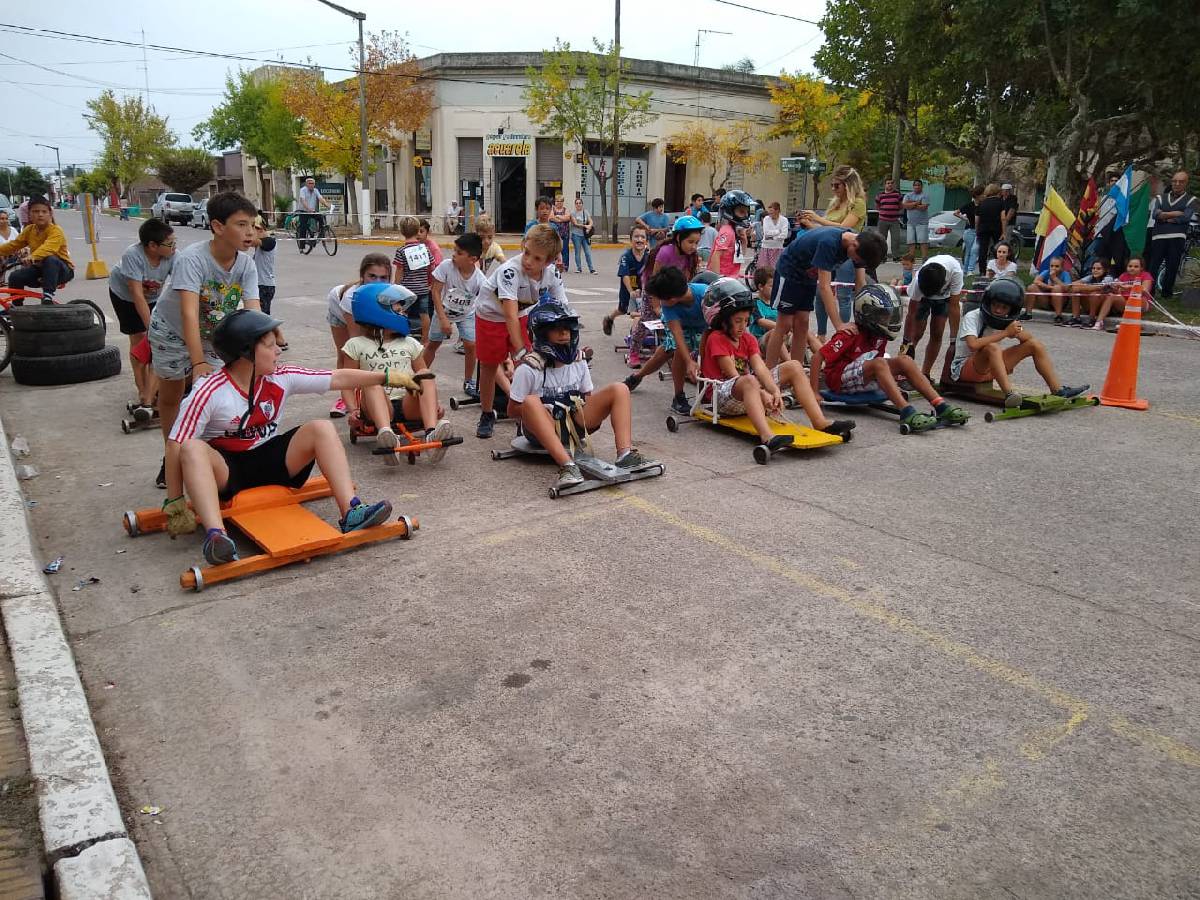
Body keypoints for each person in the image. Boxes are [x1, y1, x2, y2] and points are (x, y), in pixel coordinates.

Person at [164, 309, 402, 566]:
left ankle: (351, 512)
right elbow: (175, 443)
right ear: (246, 353)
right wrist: (175, 500)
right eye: (269, 345)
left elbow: (337, 377)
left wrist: (386, 377)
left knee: (321, 428)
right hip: (228, 471)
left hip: (272, 462)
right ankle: (216, 536)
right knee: (191, 447)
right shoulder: (209, 390)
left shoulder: (281, 375)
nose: (278, 349)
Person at [148, 190, 262, 492]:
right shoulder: (192, 259)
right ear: (217, 226)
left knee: (207, 398)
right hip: (171, 332)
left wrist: (264, 346)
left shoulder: (247, 265)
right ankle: (170, 458)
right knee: (171, 397)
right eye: (241, 224)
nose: (250, 232)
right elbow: (188, 312)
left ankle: (204, 458)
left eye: (252, 224)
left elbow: (253, 311)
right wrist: (197, 362)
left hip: (211, 334)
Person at [508, 302, 651, 490]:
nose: (564, 334)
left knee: (620, 389)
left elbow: (588, 399)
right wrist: (539, 410)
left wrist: (587, 412)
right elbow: (512, 410)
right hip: (543, 430)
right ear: (541, 333)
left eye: (567, 329)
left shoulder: (578, 361)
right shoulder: (529, 368)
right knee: (531, 401)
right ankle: (567, 466)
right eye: (557, 330)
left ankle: (625, 455)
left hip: (575, 427)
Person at [699, 277, 855, 444]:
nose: (743, 326)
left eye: (746, 320)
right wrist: (761, 392)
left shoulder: (748, 338)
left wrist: (773, 391)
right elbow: (733, 375)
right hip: (721, 397)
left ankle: (820, 422)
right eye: (738, 321)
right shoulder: (716, 338)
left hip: (747, 391)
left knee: (794, 366)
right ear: (722, 320)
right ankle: (767, 436)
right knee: (750, 380)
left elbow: (760, 367)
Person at [814, 284, 970, 432]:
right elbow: (817, 356)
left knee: (905, 360)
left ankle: (940, 405)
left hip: (864, 376)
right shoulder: (849, 334)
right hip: (839, 380)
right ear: (868, 313)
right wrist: (814, 392)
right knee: (880, 363)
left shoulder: (880, 335)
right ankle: (906, 411)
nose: (889, 320)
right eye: (884, 316)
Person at [472, 223, 567, 439]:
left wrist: (569, 341)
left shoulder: (552, 272)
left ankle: (529, 414)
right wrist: (522, 351)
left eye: (537, 259)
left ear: (549, 261)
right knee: (489, 366)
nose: (528, 261)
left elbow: (563, 307)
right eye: (527, 253)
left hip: (521, 315)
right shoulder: (510, 271)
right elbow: (509, 316)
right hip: (491, 316)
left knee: (528, 368)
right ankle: (487, 414)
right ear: (523, 245)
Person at [343, 282, 454, 459]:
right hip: (376, 406)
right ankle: (387, 435)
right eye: (398, 309)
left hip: (408, 403)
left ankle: (432, 432)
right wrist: (352, 410)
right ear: (376, 311)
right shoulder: (355, 345)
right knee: (372, 381)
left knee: (424, 375)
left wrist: (434, 405)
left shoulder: (409, 343)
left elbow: (425, 378)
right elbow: (347, 382)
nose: (404, 312)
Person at [763, 225, 887, 368]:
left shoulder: (863, 245)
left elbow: (860, 282)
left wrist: (865, 317)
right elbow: (825, 287)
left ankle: (796, 369)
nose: (856, 262)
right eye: (857, 259)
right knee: (784, 325)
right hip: (789, 273)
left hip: (807, 277)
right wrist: (839, 325)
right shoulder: (829, 243)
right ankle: (769, 373)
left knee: (802, 324)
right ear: (854, 245)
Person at [949, 278, 1087, 406]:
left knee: (1034, 345)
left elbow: (1028, 339)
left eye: (1004, 308)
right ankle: (1009, 394)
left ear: (1011, 310)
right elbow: (973, 344)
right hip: (964, 368)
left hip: (990, 367)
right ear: (988, 302)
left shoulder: (1007, 320)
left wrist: (1016, 329)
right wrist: (1005, 333)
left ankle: (1057, 389)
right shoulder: (972, 316)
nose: (998, 310)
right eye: (995, 305)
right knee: (992, 348)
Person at [109, 218, 176, 421]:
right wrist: (151, 328)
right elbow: (137, 295)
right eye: (170, 243)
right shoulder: (133, 255)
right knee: (139, 340)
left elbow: (182, 285)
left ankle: (150, 392)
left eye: (175, 242)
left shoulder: (173, 256)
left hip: (154, 299)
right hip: (125, 297)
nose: (174, 247)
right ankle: (142, 391)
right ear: (152, 246)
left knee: (158, 345)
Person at [623, 217, 704, 385]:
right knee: (646, 322)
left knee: (671, 341)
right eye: (690, 242)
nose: (694, 246)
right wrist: (657, 307)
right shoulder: (666, 252)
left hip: (673, 294)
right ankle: (634, 352)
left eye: (696, 242)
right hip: (655, 291)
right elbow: (656, 280)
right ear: (678, 238)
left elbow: (687, 280)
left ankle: (642, 374)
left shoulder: (690, 256)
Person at [799, 166, 867, 340]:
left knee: (843, 294)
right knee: (821, 293)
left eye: (837, 185)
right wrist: (810, 225)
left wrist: (818, 218)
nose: (833, 189)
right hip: (830, 250)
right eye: (832, 185)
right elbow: (826, 232)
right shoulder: (835, 203)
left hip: (848, 251)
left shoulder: (858, 203)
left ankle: (842, 334)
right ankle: (821, 334)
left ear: (848, 185)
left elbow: (845, 228)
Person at [326, 253, 392, 418]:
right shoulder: (350, 298)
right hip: (340, 313)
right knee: (347, 354)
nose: (378, 282)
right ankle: (346, 398)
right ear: (362, 276)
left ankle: (374, 394)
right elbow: (356, 342)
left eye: (383, 277)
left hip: (368, 313)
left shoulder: (391, 294)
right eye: (372, 276)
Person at [635, 267, 708, 414]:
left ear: (672, 299)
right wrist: (689, 362)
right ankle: (679, 397)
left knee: (664, 353)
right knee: (679, 350)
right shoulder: (668, 306)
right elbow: (677, 333)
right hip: (680, 327)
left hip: (704, 327)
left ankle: (637, 376)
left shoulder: (705, 294)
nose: (660, 302)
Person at [427, 232, 484, 398]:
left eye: (459, 253)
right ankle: (418, 376)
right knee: (433, 344)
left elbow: (482, 303)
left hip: (466, 313)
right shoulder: (446, 266)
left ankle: (468, 380)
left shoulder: (479, 279)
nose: (454, 255)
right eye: (454, 250)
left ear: (472, 259)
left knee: (471, 345)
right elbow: (436, 292)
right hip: (443, 310)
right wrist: (444, 320)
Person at [896, 255, 965, 381]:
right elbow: (911, 314)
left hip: (944, 299)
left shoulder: (956, 273)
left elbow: (954, 307)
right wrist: (906, 342)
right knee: (916, 333)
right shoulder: (918, 281)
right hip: (922, 299)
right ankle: (900, 373)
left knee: (937, 333)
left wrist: (953, 341)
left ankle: (925, 374)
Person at [0, 196, 73, 303]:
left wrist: (32, 256)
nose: (40, 214)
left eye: (44, 211)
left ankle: (47, 296)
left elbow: (48, 248)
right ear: (29, 214)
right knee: (15, 276)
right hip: (40, 270)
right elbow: (13, 245)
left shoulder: (56, 231)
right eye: (35, 211)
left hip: (61, 270)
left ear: (50, 214)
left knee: (50, 259)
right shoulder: (29, 230)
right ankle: (16, 308)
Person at [1147, 170, 1198, 298]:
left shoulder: (1192, 199)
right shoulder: (1160, 197)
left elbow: (1185, 217)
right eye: (1175, 181)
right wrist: (1176, 214)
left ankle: (1166, 293)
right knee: (1153, 265)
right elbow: (1155, 214)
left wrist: (1164, 216)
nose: (1177, 184)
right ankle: (1149, 292)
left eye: (1181, 181)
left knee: (1172, 265)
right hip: (1158, 236)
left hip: (1177, 237)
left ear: (1186, 183)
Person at [392, 216, 436, 343]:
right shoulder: (425, 249)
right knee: (424, 314)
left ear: (402, 232)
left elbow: (399, 270)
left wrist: (396, 286)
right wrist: (430, 283)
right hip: (422, 288)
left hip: (406, 290)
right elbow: (432, 267)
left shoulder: (401, 251)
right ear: (418, 231)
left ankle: (404, 336)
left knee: (403, 313)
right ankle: (425, 339)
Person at [603, 224, 648, 339]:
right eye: (636, 237)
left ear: (646, 240)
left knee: (643, 311)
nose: (639, 240)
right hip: (628, 290)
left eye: (642, 237)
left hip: (644, 290)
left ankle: (637, 332)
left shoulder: (649, 257)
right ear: (630, 240)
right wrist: (631, 291)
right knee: (622, 309)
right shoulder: (626, 257)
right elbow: (625, 275)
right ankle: (609, 319)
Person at [1092, 256, 1154, 331]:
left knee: (1136, 299)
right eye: (1130, 266)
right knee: (1111, 296)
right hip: (1125, 301)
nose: (1132, 268)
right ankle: (1099, 322)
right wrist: (1115, 287)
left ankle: (1127, 323)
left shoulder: (1146, 275)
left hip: (1142, 302)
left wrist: (1128, 287)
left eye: (1136, 266)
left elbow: (1145, 290)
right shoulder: (1123, 275)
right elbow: (1118, 292)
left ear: (1141, 268)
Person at [708, 190, 753, 278]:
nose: (745, 216)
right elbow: (716, 256)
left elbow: (739, 257)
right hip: (723, 279)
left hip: (730, 277)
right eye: (741, 212)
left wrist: (744, 240)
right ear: (730, 211)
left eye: (746, 212)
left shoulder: (734, 231)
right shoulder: (727, 231)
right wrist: (717, 280)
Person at [748, 266, 787, 360]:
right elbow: (761, 321)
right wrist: (783, 327)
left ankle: (825, 360)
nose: (775, 289)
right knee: (775, 333)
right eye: (772, 286)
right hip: (761, 342)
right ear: (761, 286)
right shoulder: (754, 303)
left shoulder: (778, 303)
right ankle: (793, 364)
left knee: (802, 330)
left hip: (782, 336)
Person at [1068, 258, 1114, 328]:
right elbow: (1073, 284)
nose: (1095, 270)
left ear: (1105, 270)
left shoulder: (1109, 278)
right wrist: (1076, 286)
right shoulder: (1090, 277)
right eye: (1093, 268)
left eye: (1098, 269)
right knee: (1076, 290)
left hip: (1103, 307)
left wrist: (1082, 287)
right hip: (1090, 304)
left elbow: (1099, 287)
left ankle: (1092, 319)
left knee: (1094, 294)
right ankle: (1076, 318)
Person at [1025, 255, 1073, 322]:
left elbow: (1067, 288)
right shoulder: (1046, 272)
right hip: (1047, 301)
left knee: (1057, 288)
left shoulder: (1065, 274)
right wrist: (1050, 287)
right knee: (1031, 287)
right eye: (1052, 266)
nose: (1053, 268)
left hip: (1061, 302)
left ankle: (1058, 315)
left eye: (1057, 266)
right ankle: (1028, 313)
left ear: (1062, 267)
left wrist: (1055, 279)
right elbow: (1036, 281)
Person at [975, 184, 1005, 275]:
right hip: (996, 228)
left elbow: (977, 219)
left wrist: (977, 230)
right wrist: (1004, 232)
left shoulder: (981, 203)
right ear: (997, 191)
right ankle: (997, 270)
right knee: (998, 249)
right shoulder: (1000, 202)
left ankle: (982, 271)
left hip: (983, 228)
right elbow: (1003, 218)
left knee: (982, 250)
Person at [251, 216, 278, 315]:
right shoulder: (260, 245)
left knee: (261, 317)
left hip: (265, 286)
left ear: (260, 229)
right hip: (260, 284)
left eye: (253, 230)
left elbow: (253, 242)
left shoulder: (270, 242)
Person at [296, 176, 329, 254]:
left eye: (313, 183)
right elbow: (303, 200)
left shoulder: (315, 190)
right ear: (306, 184)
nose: (311, 185)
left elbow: (320, 198)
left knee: (321, 218)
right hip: (303, 211)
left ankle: (320, 233)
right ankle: (301, 247)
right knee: (303, 227)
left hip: (312, 211)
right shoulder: (303, 190)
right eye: (310, 183)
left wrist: (327, 205)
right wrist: (308, 208)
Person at [874, 177, 905, 261]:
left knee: (896, 239)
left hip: (894, 220)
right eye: (888, 183)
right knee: (881, 239)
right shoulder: (880, 195)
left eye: (891, 183)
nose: (890, 185)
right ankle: (882, 257)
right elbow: (877, 206)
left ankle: (896, 256)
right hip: (883, 220)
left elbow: (901, 206)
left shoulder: (897, 194)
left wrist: (896, 212)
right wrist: (883, 211)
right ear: (885, 185)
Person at [956, 186, 983, 274]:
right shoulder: (969, 205)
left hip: (979, 231)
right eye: (982, 194)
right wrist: (965, 219)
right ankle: (965, 270)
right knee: (968, 251)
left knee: (975, 250)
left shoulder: (983, 205)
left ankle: (971, 270)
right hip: (970, 230)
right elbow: (956, 213)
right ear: (978, 195)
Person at [902, 178, 930, 260]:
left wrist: (911, 204)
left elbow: (924, 207)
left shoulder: (925, 195)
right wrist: (917, 203)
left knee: (923, 241)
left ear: (922, 186)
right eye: (915, 185)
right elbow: (905, 206)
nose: (917, 187)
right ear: (913, 186)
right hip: (910, 223)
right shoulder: (908, 195)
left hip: (922, 223)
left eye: (919, 185)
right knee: (911, 241)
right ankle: (911, 258)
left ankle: (924, 258)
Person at [568, 197, 596, 274]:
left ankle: (591, 269)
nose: (578, 204)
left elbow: (590, 220)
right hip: (576, 235)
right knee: (577, 252)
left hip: (585, 235)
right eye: (576, 203)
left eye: (580, 203)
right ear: (575, 205)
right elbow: (575, 223)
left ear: (582, 204)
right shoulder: (573, 213)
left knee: (587, 252)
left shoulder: (585, 212)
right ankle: (579, 268)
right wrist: (585, 226)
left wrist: (589, 226)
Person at [759, 201, 788, 272]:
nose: (770, 214)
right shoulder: (766, 219)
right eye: (769, 212)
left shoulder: (784, 220)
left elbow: (784, 234)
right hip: (766, 247)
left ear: (777, 211)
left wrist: (772, 237)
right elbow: (766, 233)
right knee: (764, 269)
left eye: (772, 212)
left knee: (776, 269)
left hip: (778, 248)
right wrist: (778, 231)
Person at [550, 193, 572, 271]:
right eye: (557, 201)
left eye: (560, 201)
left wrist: (558, 217)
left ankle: (565, 266)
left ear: (563, 202)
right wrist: (561, 218)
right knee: (554, 250)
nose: (559, 202)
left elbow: (568, 218)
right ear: (555, 202)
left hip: (564, 233)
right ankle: (554, 265)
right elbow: (551, 217)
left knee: (565, 250)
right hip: (554, 233)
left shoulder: (566, 209)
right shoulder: (552, 209)